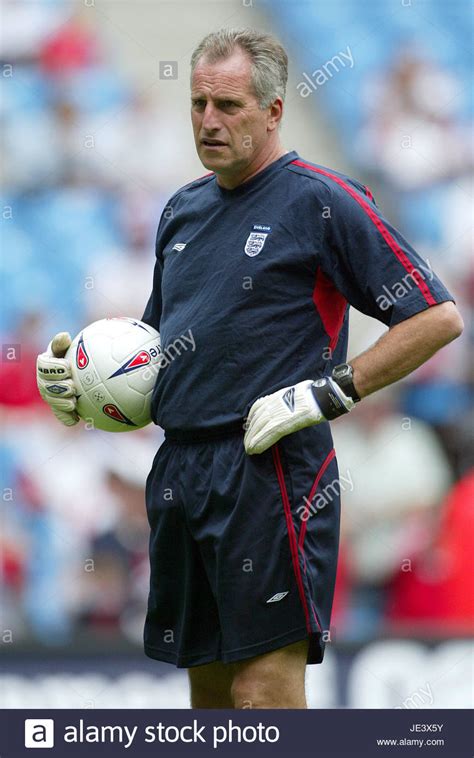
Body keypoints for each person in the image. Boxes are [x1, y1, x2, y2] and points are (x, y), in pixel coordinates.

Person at [36, 28, 464, 709]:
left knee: (262, 691)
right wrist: (82, 393)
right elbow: (154, 361)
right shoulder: (180, 210)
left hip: (272, 469)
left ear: (272, 111)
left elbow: (437, 317)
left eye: (229, 105)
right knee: (208, 697)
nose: (209, 120)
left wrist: (331, 392)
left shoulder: (321, 199)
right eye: (199, 103)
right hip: (182, 472)